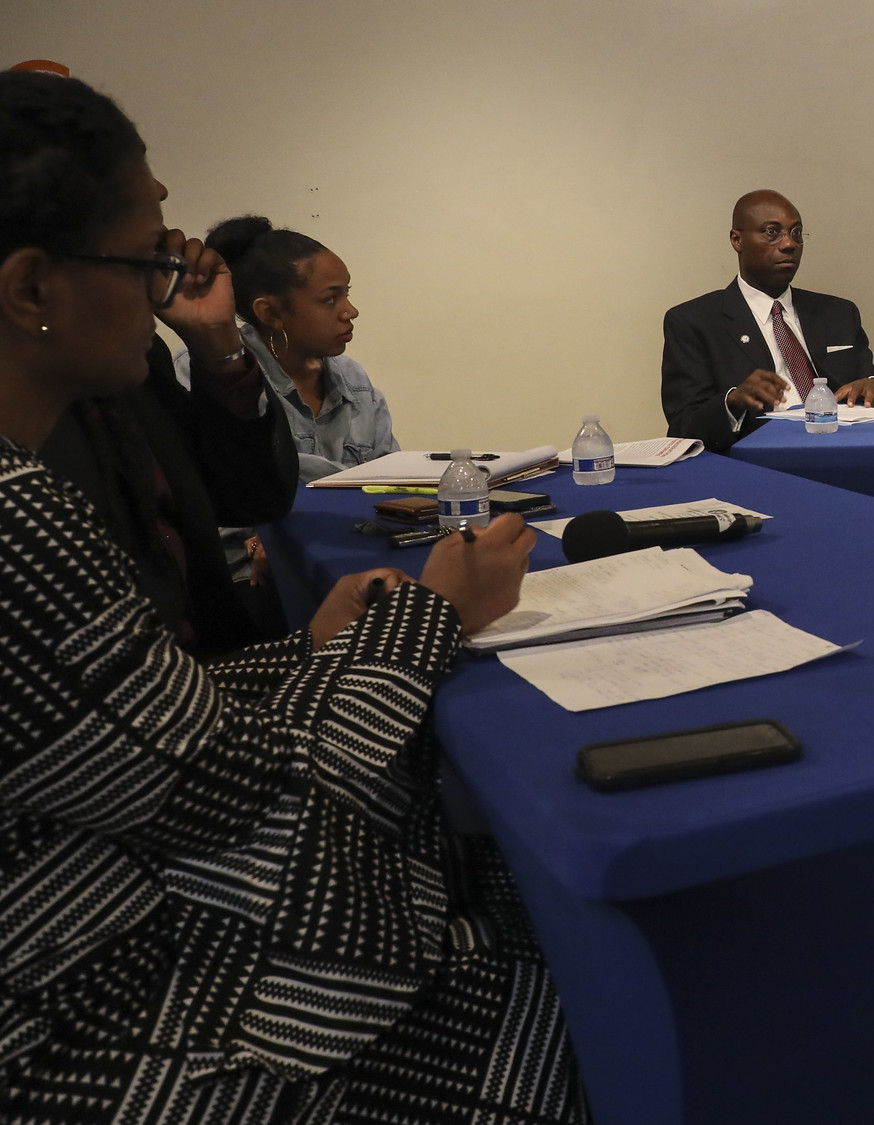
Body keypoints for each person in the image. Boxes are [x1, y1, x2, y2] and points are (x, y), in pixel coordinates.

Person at [0, 69, 586, 1124]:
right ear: (32, 290)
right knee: (557, 978)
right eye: (144, 259)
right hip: (87, 1008)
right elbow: (238, 797)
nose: (164, 286)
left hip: (96, 907)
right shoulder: (14, 517)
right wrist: (431, 615)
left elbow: (138, 715)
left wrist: (312, 648)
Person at [10, 59, 297, 655]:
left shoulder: (134, 363)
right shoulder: (22, 502)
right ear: (32, 290)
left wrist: (217, 345)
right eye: (142, 255)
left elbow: (253, 498)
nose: (162, 191)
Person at [660, 189, 874, 450]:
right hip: (759, 459)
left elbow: (872, 382)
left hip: (847, 449)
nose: (789, 244)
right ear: (737, 240)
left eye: (796, 233)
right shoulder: (695, 322)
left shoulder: (837, 313)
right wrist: (732, 402)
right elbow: (683, 427)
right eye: (772, 232)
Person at [188, 214, 398, 481]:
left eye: (347, 293)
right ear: (271, 312)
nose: (351, 311)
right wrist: (360, 479)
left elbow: (394, 481)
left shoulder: (353, 378)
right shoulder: (208, 370)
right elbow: (245, 475)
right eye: (330, 299)